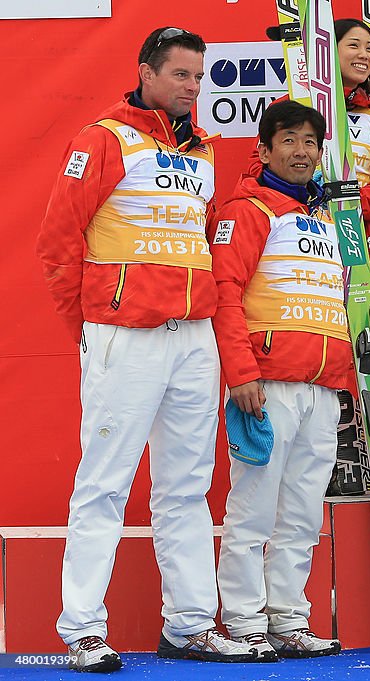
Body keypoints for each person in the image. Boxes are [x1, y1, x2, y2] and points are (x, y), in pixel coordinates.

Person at [35, 27, 257, 671]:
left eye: (200, 77)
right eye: (182, 75)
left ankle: (189, 624)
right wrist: (90, 324)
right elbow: (57, 242)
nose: (193, 87)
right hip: (123, 335)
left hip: (193, 337)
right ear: (146, 73)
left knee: (187, 487)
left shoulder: (206, 151)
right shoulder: (105, 137)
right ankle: (81, 629)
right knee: (103, 483)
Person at [210, 100, 350, 661]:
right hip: (266, 387)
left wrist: (346, 382)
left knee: (303, 513)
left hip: (323, 388)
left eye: (310, 142)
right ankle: (244, 623)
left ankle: (289, 620)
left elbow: (344, 301)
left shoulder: (333, 220)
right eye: (288, 140)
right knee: (253, 509)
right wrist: (242, 374)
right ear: (263, 150)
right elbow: (224, 293)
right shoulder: (246, 209)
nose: (301, 152)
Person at [265, 19, 370, 245]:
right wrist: (302, 196)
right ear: (327, 49)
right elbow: (259, 167)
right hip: (296, 226)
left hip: (357, 230)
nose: (364, 54)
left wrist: (348, 202)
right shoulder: (289, 107)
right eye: (354, 45)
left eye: (369, 49)